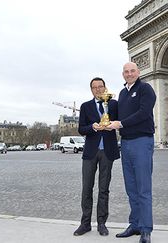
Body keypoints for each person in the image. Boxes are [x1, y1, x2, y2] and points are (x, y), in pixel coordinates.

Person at [108, 62, 156, 243]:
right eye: (126, 72)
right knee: (131, 188)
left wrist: (120, 124)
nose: (129, 74)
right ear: (122, 74)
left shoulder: (145, 89)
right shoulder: (122, 93)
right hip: (126, 143)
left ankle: (145, 229)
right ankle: (134, 224)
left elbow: (144, 113)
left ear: (138, 72)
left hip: (142, 141)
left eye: (132, 71)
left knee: (143, 188)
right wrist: (103, 122)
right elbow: (117, 116)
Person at [73, 77, 120, 237]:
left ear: (105, 88)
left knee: (104, 189)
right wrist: (92, 127)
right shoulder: (85, 106)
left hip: (108, 151)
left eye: (101, 87)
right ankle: (85, 223)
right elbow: (81, 129)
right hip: (90, 153)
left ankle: (102, 223)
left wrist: (112, 123)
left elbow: (120, 122)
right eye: (95, 87)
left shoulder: (114, 104)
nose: (98, 89)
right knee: (86, 189)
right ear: (91, 90)